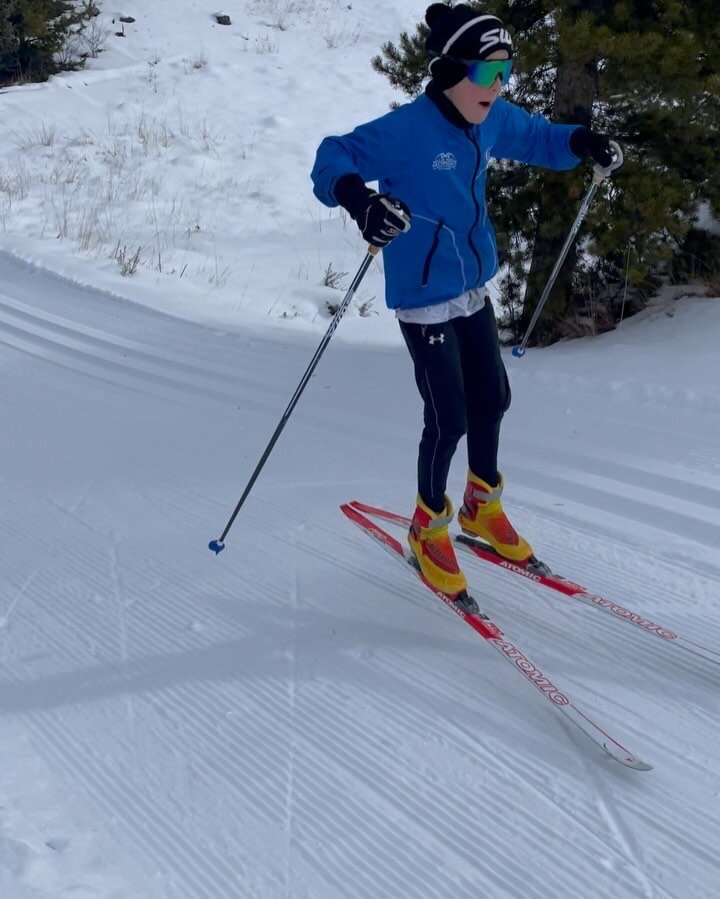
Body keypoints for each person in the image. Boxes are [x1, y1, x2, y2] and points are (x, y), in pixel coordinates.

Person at [311, 3, 617, 609]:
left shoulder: (492, 118)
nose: (496, 86)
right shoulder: (407, 131)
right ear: (449, 69)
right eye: (485, 73)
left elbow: (539, 138)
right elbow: (332, 156)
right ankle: (427, 528)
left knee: (493, 399)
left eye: (505, 72)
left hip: (472, 286)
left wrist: (583, 141)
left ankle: (481, 506)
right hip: (425, 298)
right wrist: (359, 202)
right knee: (448, 416)